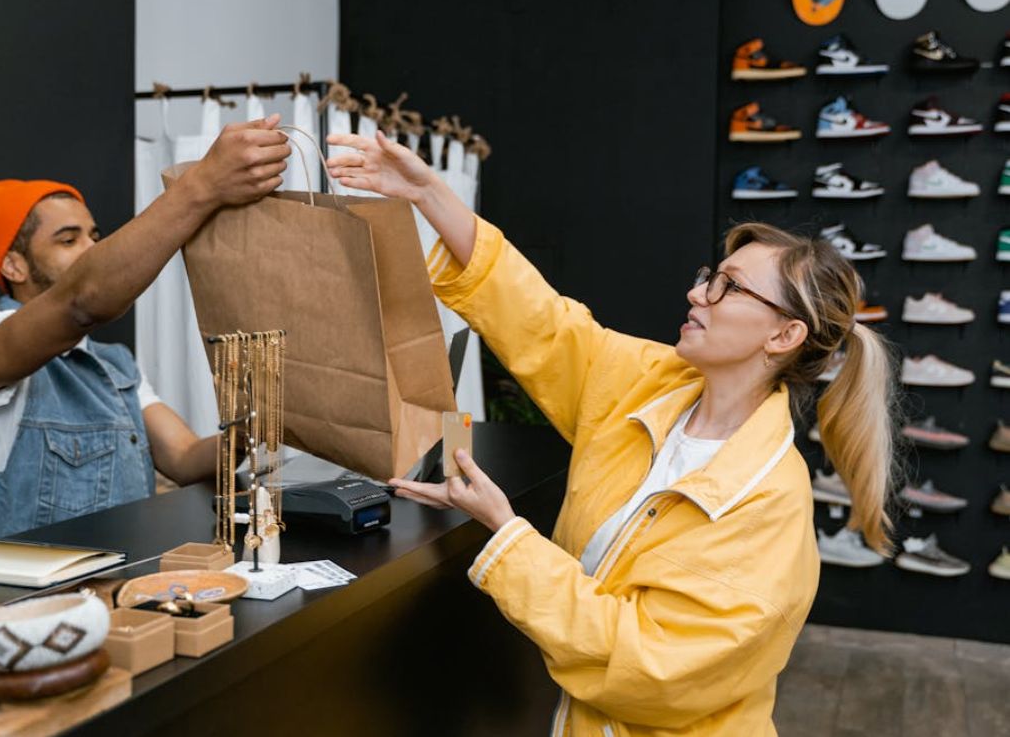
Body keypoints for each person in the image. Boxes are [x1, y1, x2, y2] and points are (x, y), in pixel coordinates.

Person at [327, 131, 897, 736]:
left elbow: (655, 671)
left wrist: (507, 535)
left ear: (782, 336)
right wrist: (427, 192)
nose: (697, 292)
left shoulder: (768, 506)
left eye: (728, 286)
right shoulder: (653, 385)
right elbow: (542, 325)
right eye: (711, 275)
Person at [0, 115, 290, 538]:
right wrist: (202, 185)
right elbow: (83, 301)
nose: (92, 249)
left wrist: (252, 421)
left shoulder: (115, 367)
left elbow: (187, 459)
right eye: (68, 239)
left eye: (94, 236)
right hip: (24, 602)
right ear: (13, 264)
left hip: (119, 594)